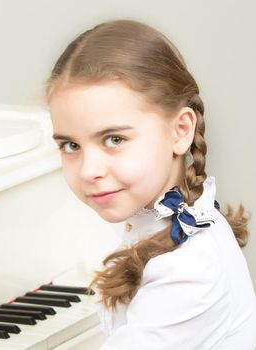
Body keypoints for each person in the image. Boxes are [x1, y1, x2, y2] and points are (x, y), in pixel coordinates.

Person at [46, 19, 256, 349]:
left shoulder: (189, 271)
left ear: (181, 130)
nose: (89, 170)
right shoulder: (157, 219)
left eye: (114, 139)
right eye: (70, 145)